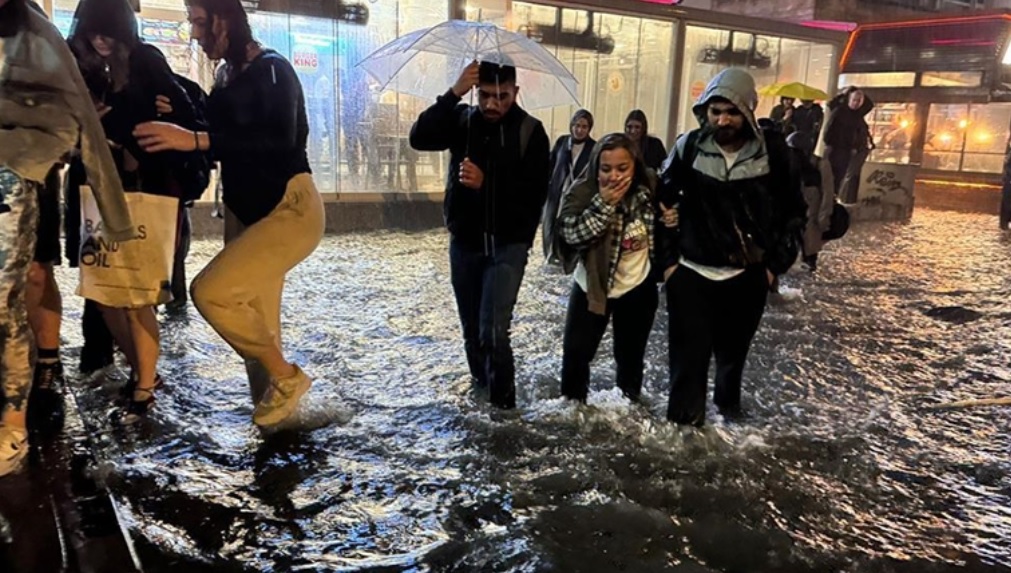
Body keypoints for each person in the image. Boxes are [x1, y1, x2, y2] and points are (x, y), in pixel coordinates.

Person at [134, 0, 325, 429]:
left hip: (288, 210)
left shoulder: (274, 69)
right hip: (246, 213)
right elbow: (220, 126)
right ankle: (278, 424)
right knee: (258, 328)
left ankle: (288, 378)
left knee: (210, 293)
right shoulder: (225, 74)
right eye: (191, 22)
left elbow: (277, 141)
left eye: (200, 22)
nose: (195, 33)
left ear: (225, 20)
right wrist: (179, 113)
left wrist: (195, 140)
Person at [1, 0, 134, 475]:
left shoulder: (38, 30)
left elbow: (87, 123)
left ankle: (48, 372)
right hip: (40, 172)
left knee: (33, 277)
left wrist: (53, 143)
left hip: (32, 174)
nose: (102, 42)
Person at [69, 0, 201, 424]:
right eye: (93, 32)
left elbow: (186, 115)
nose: (99, 40)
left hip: (144, 191)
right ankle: (144, 372)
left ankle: (144, 386)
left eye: (107, 32)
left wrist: (127, 128)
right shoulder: (84, 67)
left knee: (137, 297)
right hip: (97, 192)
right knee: (106, 293)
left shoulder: (145, 59)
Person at [656, 68, 806, 427]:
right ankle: (681, 447)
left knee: (730, 366)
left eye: (732, 111)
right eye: (715, 111)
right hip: (690, 273)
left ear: (748, 111)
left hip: (747, 277)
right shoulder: (689, 146)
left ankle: (729, 441)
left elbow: (795, 212)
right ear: (704, 112)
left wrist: (774, 266)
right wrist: (667, 265)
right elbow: (659, 200)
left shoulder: (774, 155)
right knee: (686, 368)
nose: (723, 120)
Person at [409, 60, 550, 409]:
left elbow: (534, 198)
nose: (492, 104)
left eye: (501, 96)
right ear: (476, 91)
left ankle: (503, 408)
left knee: (493, 331)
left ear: (515, 92)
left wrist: (487, 184)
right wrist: (453, 93)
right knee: (472, 331)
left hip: (508, 245)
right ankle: (481, 395)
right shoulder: (462, 120)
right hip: (466, 242)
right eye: (485, 95)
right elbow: (419, 138)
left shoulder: (531, 132)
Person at [556, 133, 660, 403]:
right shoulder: (581, 191)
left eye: (622, 168)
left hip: (638, 286)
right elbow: (571, 235)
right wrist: (603, 204)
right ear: (596, 168)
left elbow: (667, 224)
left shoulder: (649, 187)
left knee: (630, 358)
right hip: (591, 285)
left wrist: (672, 218)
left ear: (635, 166)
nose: (614, 176)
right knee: (576, 355)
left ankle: (629, 411)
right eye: (606, 169)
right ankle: (573, 415)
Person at [543, 109, 595, 264]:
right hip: (557, 191)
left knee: (568, 224)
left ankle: (566, 256)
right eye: (577, 125)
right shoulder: (563, 142)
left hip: (576, 194)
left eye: (584, 127)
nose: (579, 130)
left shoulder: (593, 147)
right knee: (550, 222)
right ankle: (550, 253)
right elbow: (551, 164)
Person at [786, 132, 834, 272]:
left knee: (810, 245)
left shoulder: (821, 164)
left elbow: (828, 191)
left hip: (812, 214)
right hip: (795, 211)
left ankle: (809, 261)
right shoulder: (789, 164)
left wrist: (824, 215)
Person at [823, 87, 874, 203]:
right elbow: (829, 129)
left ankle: (836, 196)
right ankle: (832, 196)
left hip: (849, 149)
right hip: (837, 147)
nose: (856, 103)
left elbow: (869, 104)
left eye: (859, 101)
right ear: (849, 100)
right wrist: (845, 93)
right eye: (854, 100)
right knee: (834, 173)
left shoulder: (858, 114)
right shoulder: (839, 111)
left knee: (845, 174)